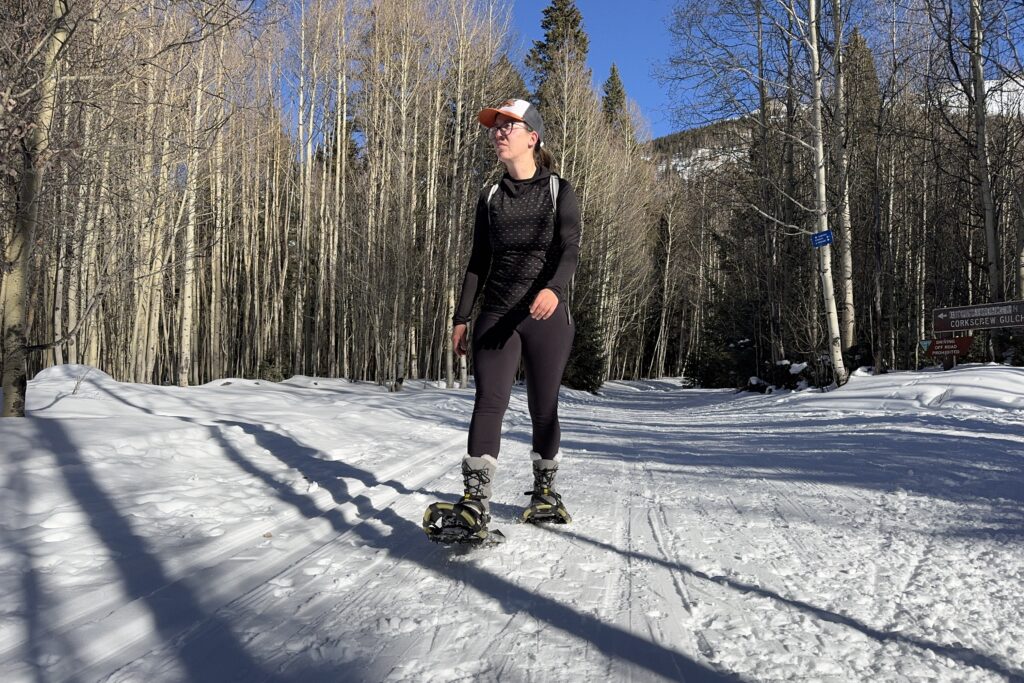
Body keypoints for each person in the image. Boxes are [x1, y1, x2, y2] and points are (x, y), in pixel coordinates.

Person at [423, 98, 581, 542]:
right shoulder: (490, 196)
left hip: (546, 313)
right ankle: (475, 502)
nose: (499, 132)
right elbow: (478, 260)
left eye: (509, 125)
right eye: (496, 126)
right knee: (488, 401)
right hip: (496, 309)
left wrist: (553, 289)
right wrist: (461, 317)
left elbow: (570, 249)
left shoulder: (558, 191)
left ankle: (545, 491)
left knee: (542, 406)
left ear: (533, 137)